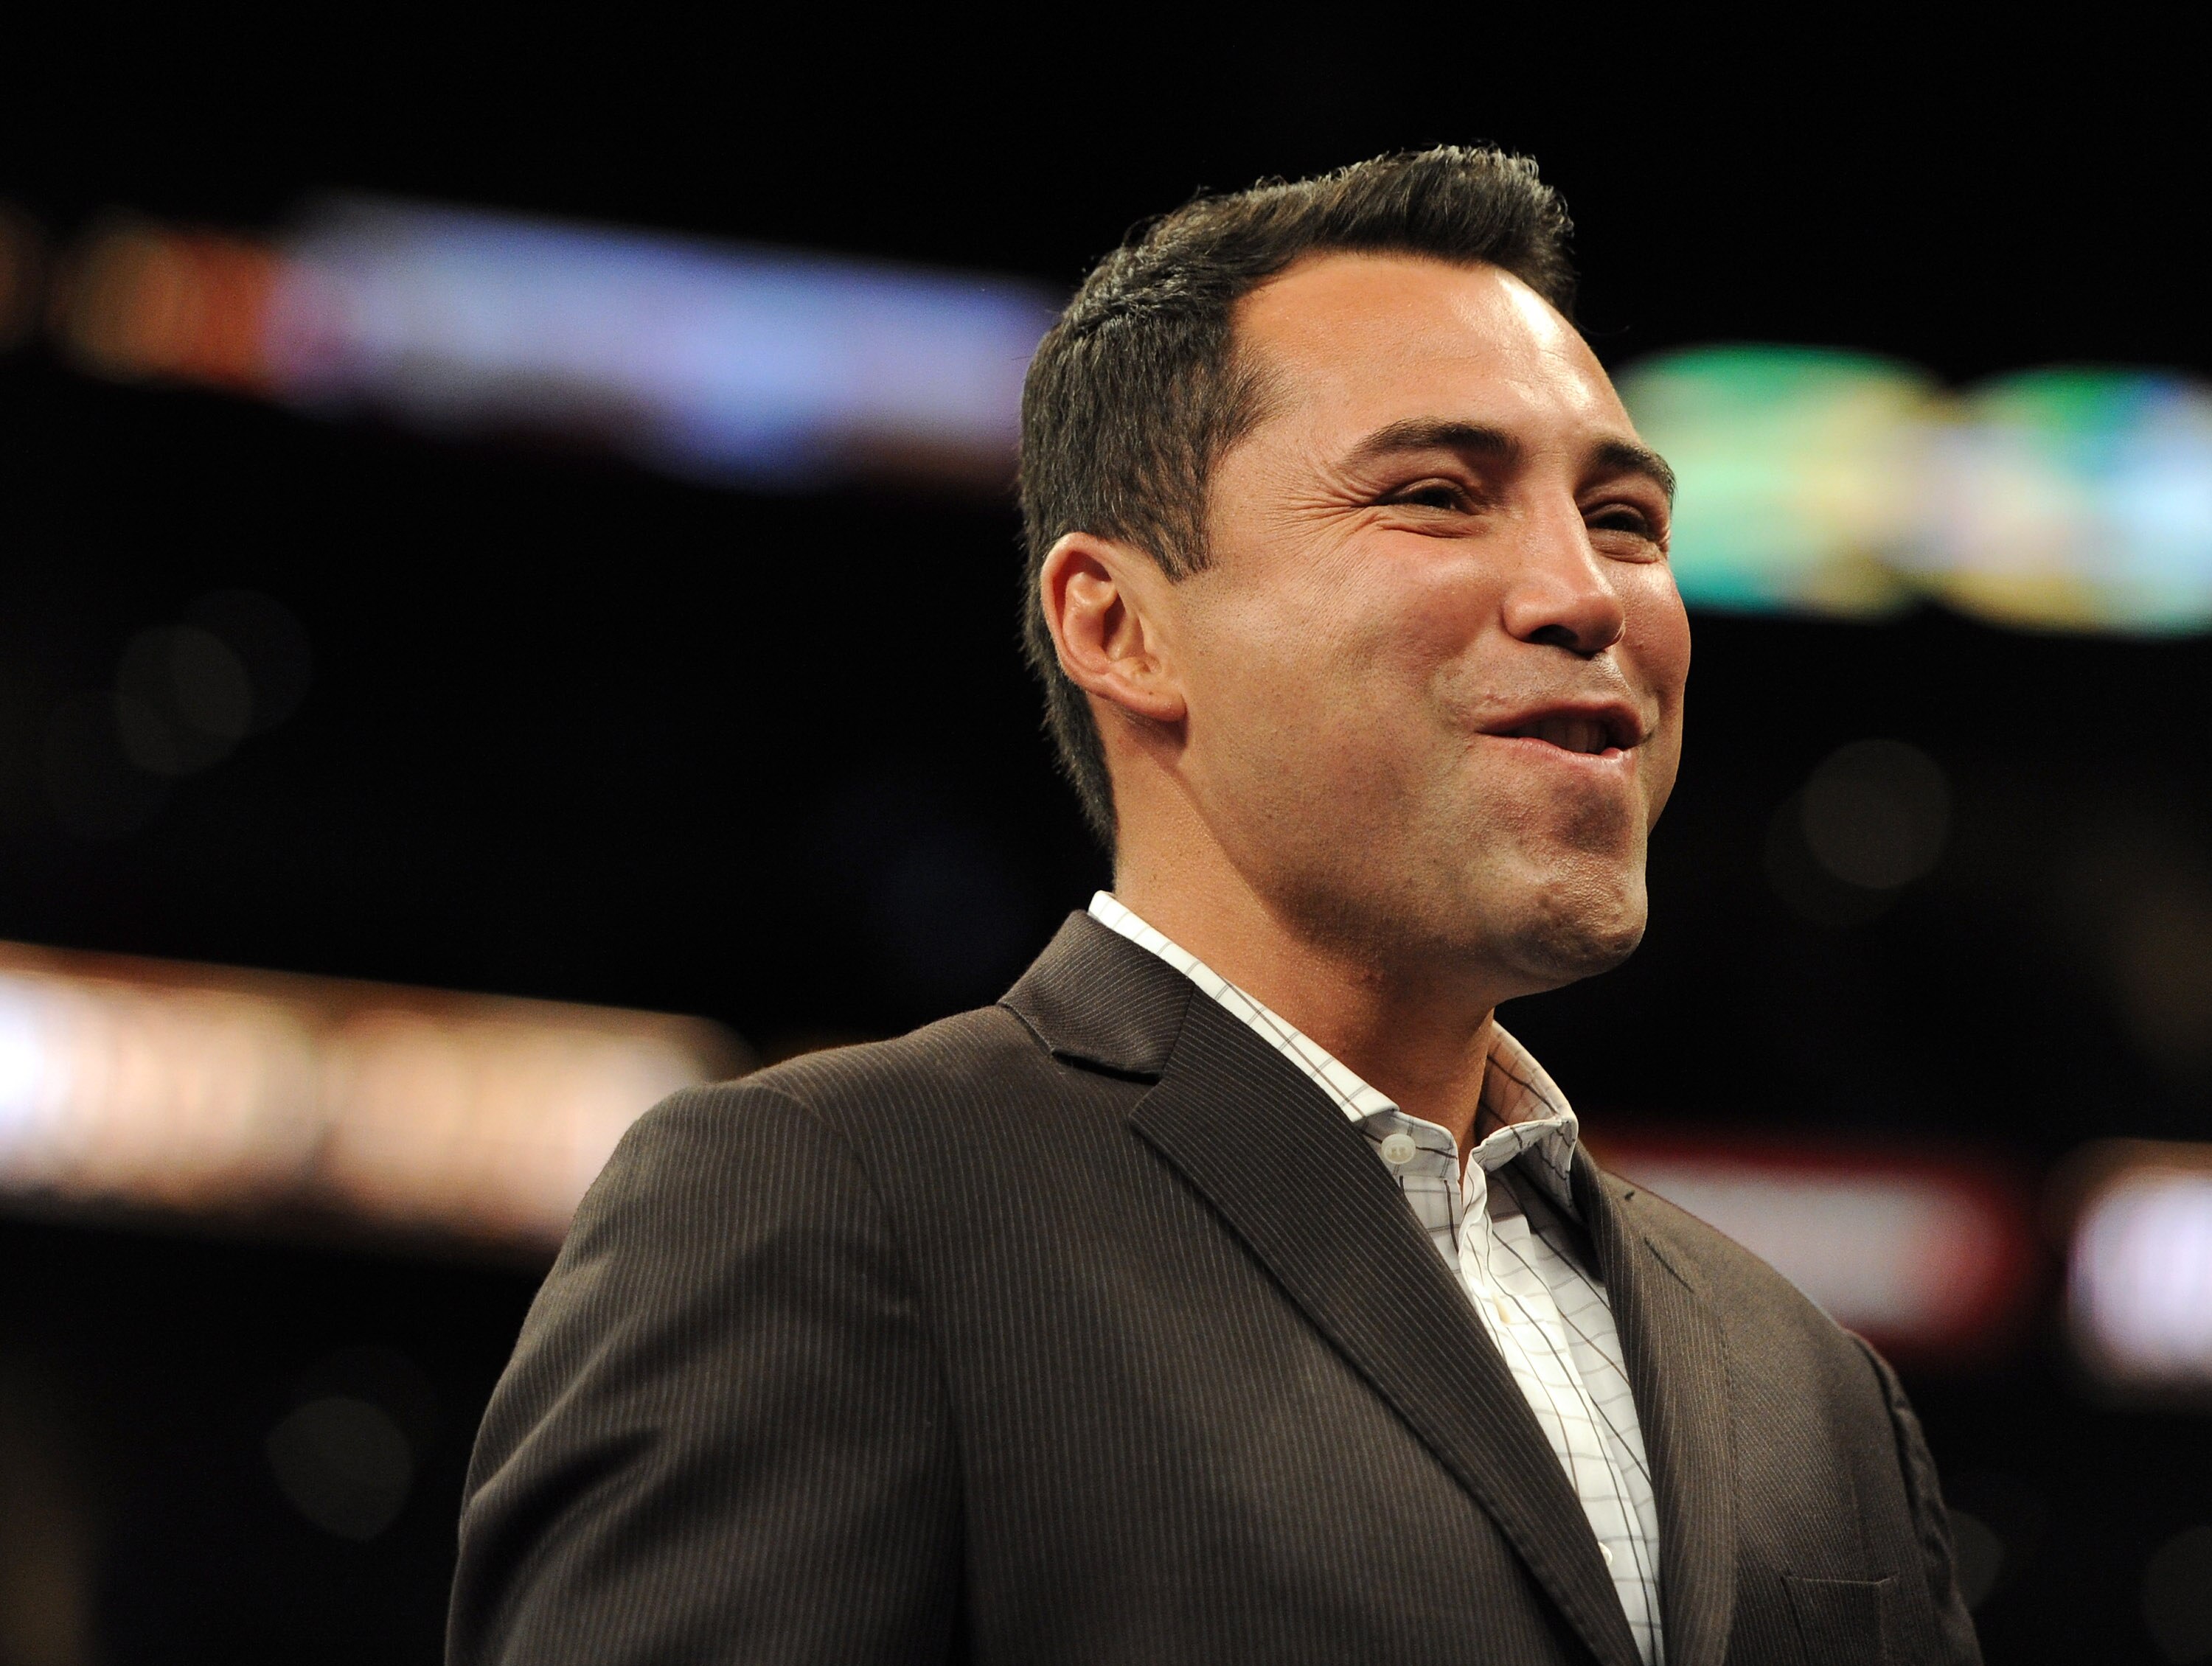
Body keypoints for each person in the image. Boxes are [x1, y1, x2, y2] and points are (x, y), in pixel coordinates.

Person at [448, 147, 1980, 1666]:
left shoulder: (1811, 1382)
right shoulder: (835, 1209)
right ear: (1120, 628)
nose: (1592, 594)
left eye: (1629, 520)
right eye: (1440, 496)